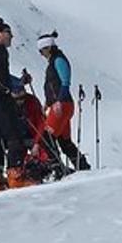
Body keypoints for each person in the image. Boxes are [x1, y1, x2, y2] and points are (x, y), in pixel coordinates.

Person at [0, 19, 35, 193]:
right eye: (8, 32)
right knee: (14, 134)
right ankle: (15, 176)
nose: (11, 36)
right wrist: (7, 90)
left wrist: (15, 83)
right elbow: (0, 75)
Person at [38, 33, 91, 170]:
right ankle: (82, 167)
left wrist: (58, 101)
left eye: (42, 50)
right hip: (63, 105)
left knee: (47, 137)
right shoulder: (56, 60)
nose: (41, 54)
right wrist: (48, 102)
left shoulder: (58, 60)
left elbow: (65, 81)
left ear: (48, 48)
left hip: (62, 105)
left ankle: (56, 168)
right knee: (64, 140)